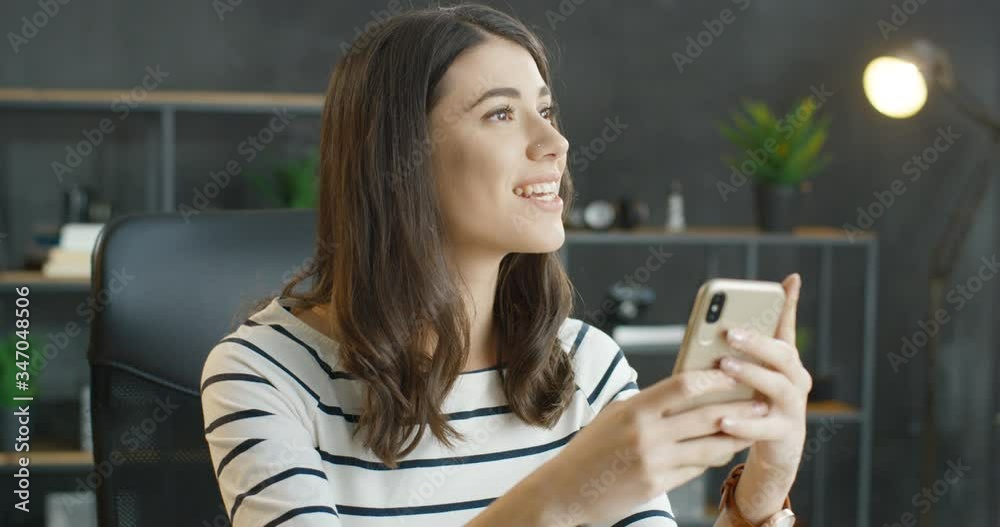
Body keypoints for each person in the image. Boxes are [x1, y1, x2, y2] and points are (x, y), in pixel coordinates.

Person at [200, 4, 811, 526]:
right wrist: (559, 499)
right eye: (500, 113)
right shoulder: (263, 374)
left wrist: (761, 492)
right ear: (400, 156)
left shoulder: (585, 368)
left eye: (546, 111)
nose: (555, 143)